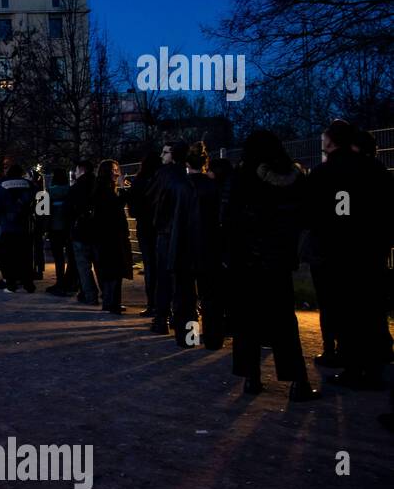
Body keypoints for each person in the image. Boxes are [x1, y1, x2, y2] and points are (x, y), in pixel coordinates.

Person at [226, 131, 319, 402]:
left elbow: (230, 220)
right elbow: (305, 218)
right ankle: (298, 382)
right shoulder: (293, 179)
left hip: (247, 262)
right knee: (284, 322)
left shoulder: (242, 177)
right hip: (278, 262)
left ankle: (251, 377)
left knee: (248, 321)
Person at [305, 120, 394, 389]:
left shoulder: (323, 174)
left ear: (330, 142)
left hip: (338, 253)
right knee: (371, 309)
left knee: (345, 312)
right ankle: (375, 367)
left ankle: (353, 367)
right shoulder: (375, 170)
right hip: (371, 251)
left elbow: (312, 215)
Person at [169, 142, 226, 349]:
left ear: (187, 163)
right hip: (209, 248)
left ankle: (189, 338)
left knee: (186, 299)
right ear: (205, 163)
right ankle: (213, 339)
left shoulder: (180, 187)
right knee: (211, 297)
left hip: (184, 249)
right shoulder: (213, 187)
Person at [147, 140, 189, 333]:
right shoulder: (188, 177)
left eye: (165, 153)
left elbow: (152, 199)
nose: (162, 156)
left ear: (173, 155)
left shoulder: (164, 175)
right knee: (183, 282)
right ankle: (185, 327)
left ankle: (161, 320)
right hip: (186, 234)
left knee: (163, 278)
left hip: (165, 232)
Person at [91, 160, 132, 314]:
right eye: (114, 170)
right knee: (114, 270)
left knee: (109, 270)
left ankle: (110, 302)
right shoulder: (105, 189)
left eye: (117, 169)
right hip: (111, 235)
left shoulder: (101, 187)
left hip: (105, 235)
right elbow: (116, 206)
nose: (117, 173)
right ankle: (113, 303)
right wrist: (122, 188)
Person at [0, 164, 36, 292]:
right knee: (25, 257)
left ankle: (11, 284)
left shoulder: (3, 185)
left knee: (8, 257)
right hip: (25, 226)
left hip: (8, 227)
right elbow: (40, 203)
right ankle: (28, 283)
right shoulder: (29, 185)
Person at [126, 152, 162, 316]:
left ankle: (152, 304)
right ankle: (164, 305)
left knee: (150, 266)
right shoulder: (163, 180)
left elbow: (133, 210)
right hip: (163, 227)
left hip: (145, 227)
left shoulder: (140, 182)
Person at [68, 159, 98, 305]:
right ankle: (108, 294)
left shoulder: (75, 188)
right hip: (98, 230)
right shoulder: (99, 184)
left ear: (81, 170)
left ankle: (90, 294)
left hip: (80, 230)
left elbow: (69, 211)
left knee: (83, 265)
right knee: (99, 264)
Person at [44, 168, 75, 295]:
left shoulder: (49, 191)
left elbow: (44, 212)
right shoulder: (70, 190)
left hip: (54, 228)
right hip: (68, 227)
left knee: (58, 257)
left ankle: (60, 282)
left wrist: (45, 228)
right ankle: (71, 282)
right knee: (71, 256)